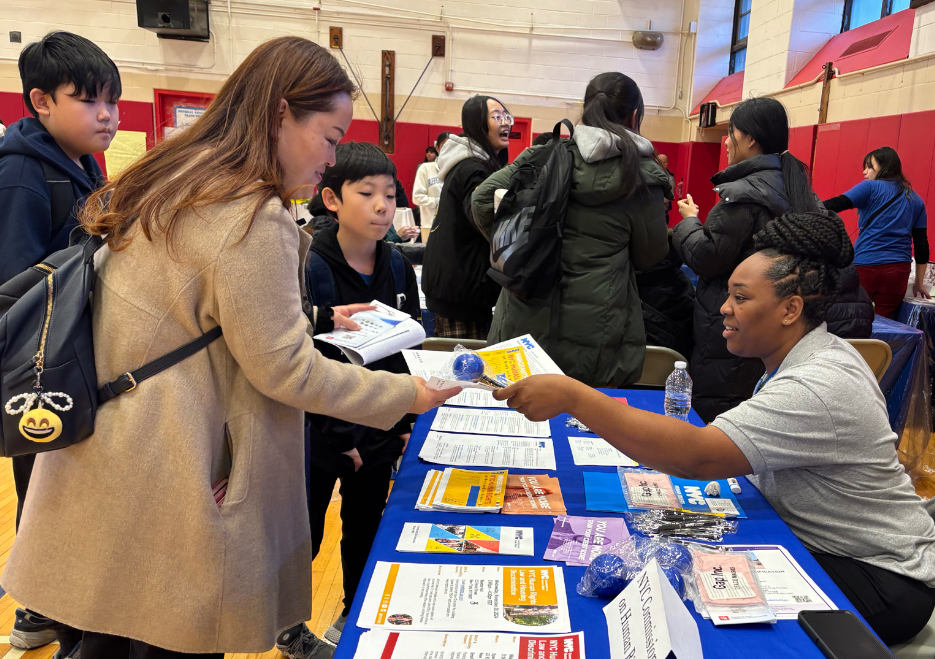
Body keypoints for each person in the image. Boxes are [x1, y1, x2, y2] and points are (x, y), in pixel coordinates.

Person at [1, 36, 458, 659]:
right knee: (173, 637)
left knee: (110, 635)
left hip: (116, 447)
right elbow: (287, 369)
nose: (331, 157)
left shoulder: (181, 176)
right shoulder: (249, 212)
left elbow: (209, 316)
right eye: (329, 136)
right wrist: (410, 393)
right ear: (280, 115)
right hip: (172, 462)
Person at [494, 211, 935, 647]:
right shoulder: (806, 356)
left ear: (790, 309)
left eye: (741, 298)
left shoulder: (816, 382)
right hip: (840, 550)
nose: (725, 308)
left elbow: (697, 455)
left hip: (879, 578)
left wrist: (575, 397)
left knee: (696, 599)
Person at [0, 30, 122, 658]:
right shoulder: (23, 174)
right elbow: (14, 287)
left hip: (76, 355)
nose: (107, 116)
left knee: (66, 492)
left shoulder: (83, 164)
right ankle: (42, 610)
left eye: (113, 102)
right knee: (46, 492)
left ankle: (52, 607)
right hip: (41, 367)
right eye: (89, 101)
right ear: (41, 101)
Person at [472, 72, 668, 386]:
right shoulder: (641, 175)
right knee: (583, 425)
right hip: (597, 332)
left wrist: (520, 250)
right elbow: (650, 255)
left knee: (517, 423)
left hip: (524, 316)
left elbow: (482, 199)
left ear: (586, 108)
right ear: (634, 116)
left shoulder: (543, 155)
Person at [301, 141, 421, 650]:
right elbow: (306, 364)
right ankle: (284, 619)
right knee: (301, 533)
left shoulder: (395, 264)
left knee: (365, 526)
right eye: (367, 193)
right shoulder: (310, 264)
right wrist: (341, 436)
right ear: (331, 199)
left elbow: (406, 345)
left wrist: (402, 419)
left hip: (378, 426)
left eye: (390, 196)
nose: (381, 206)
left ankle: (353, 612)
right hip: (319, 430)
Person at [672, 97, 820, 423]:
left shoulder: (741, 194)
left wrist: (688, 222)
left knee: (721, 429)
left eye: (731, 132)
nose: (726, 141)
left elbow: (707, 258)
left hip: (735, 331)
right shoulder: (801, 191)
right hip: (783, 330)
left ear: (750, 139)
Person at [421, 95, 510, 340]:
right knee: (465, 371)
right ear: (476, 123)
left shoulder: (472, 163)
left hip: (456, 287)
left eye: (506, 116)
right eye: (496, 117)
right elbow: (485, 221)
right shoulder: (474, 169)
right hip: (461, 290)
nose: (505, 123)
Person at [824, 146, 930, 318]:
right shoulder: (915, 199)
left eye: (870, 166)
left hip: (866, 265)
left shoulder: (869, 187)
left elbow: (834, 204)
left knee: (852, 319)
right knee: (885, 324)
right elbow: (921, 245)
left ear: (884, 167)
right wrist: (918, 283)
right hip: (898, 271)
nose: (865, 172)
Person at [412, 132, 449, 231]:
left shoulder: (458, 169)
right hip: (430, 225)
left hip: (452, 226)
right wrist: (438, 202)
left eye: (452, 146)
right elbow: (417, 197)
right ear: (437, 148)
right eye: (444, 145)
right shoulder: (425, 168)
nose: (449, 149)